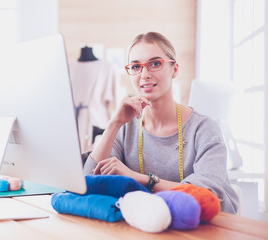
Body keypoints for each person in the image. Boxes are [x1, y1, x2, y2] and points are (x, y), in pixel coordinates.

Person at [83, 32, 239, 214]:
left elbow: (206, 196)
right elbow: (89, 181)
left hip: (207, 227)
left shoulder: (204, 129)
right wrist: (114, 123)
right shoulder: (125, 126)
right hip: (148, 223)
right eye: (135, 66)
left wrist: (136, 178)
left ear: (175, 69)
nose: (145, 74)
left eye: (155, 63)